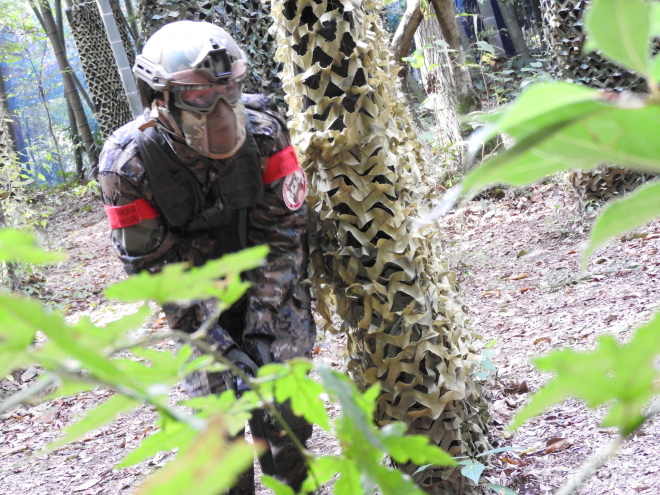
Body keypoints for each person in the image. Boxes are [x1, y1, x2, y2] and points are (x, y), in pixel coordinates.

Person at [98, 20, 316, 494]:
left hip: (269, 292)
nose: (219, 107)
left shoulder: (263, 131)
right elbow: (159, 276)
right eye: (198, 95)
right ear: (160, 98)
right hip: (197, 308)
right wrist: (224, 348)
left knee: (288, 421)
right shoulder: (127, 164)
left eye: (229, 88)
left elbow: (285, 238)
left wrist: (260, 333)